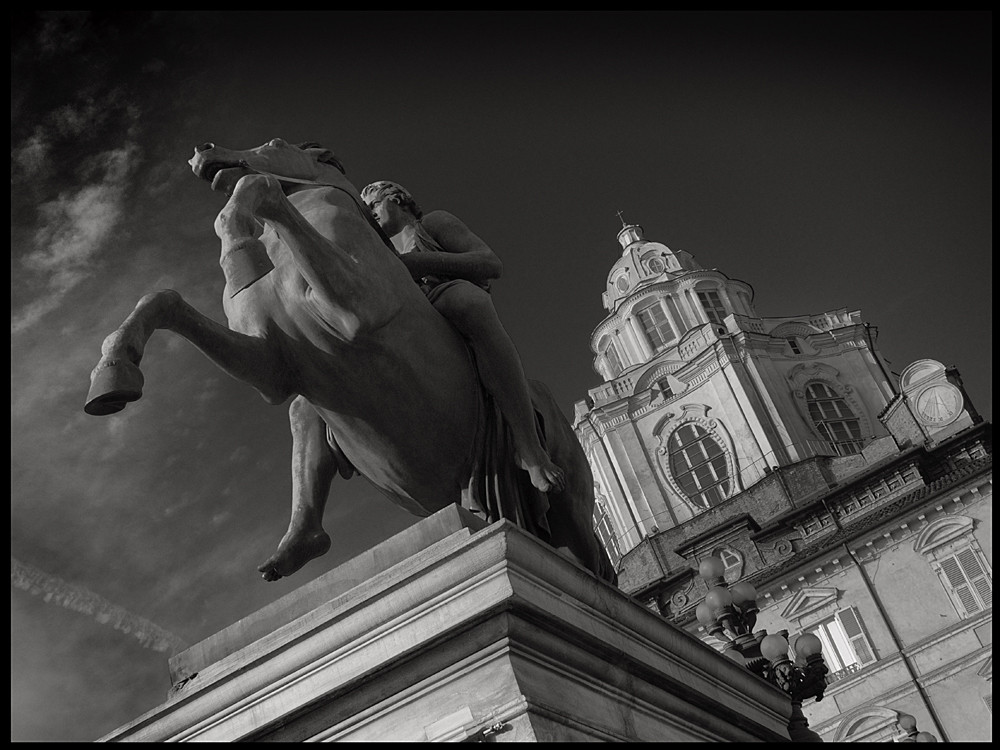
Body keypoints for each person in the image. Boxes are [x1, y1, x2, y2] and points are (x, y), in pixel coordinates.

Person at [361, 180, 565, 494]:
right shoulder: (379, 253)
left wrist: (419, 262)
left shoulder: (433, 223)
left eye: (373, 204)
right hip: (405, 318)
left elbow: (489, 263)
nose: (369, 214)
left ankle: (529, 447)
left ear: (397, 198)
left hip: (443, 297)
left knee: (470, 302)